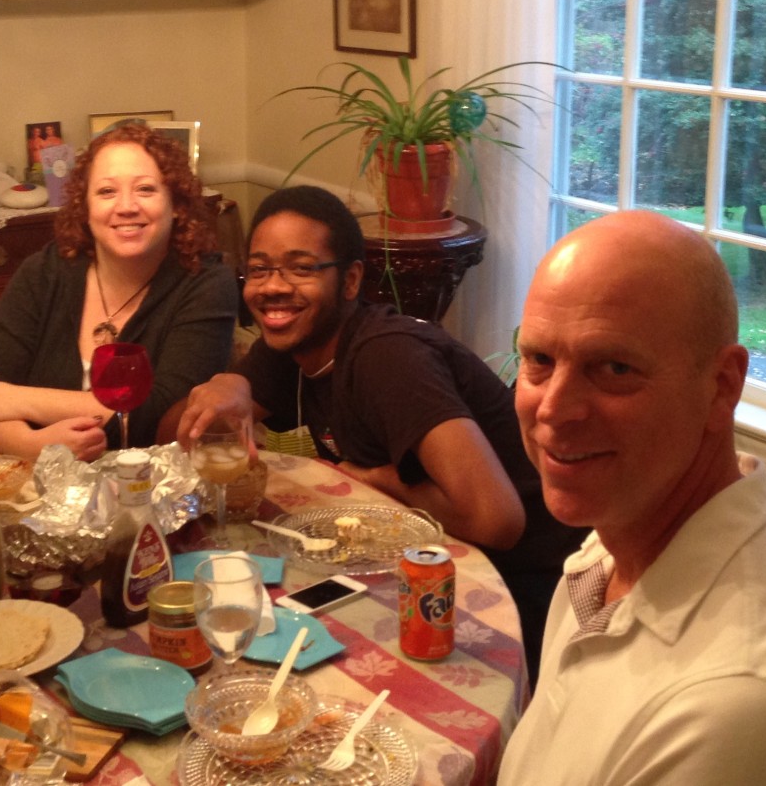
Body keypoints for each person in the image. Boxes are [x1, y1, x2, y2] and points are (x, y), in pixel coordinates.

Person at [497, 210, 766, 784]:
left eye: (614, 368)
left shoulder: (739, 709)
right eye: (539, 359)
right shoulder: (615, 547)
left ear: (722, 387)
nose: (554, 409)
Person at [177, 185, 585, 680]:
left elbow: (498, 520)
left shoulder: (389, 358)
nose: (273, 286)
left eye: (301, 268)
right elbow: (185, 430)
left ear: (350, 280)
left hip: (531, 596)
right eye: (260, 269)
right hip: (423, 567)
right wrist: (229, 384)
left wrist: (380, 479)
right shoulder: (294, 342)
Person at [0, 123, 239, 462]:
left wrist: (18, 399)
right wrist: (36, 444)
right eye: (106, 192)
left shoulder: (206, 284)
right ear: (85, 207)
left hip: (154, 485)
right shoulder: (44, 272)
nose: (126, 206)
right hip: (38, 483)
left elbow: (159, 416)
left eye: (146, 189)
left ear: (176, 203)